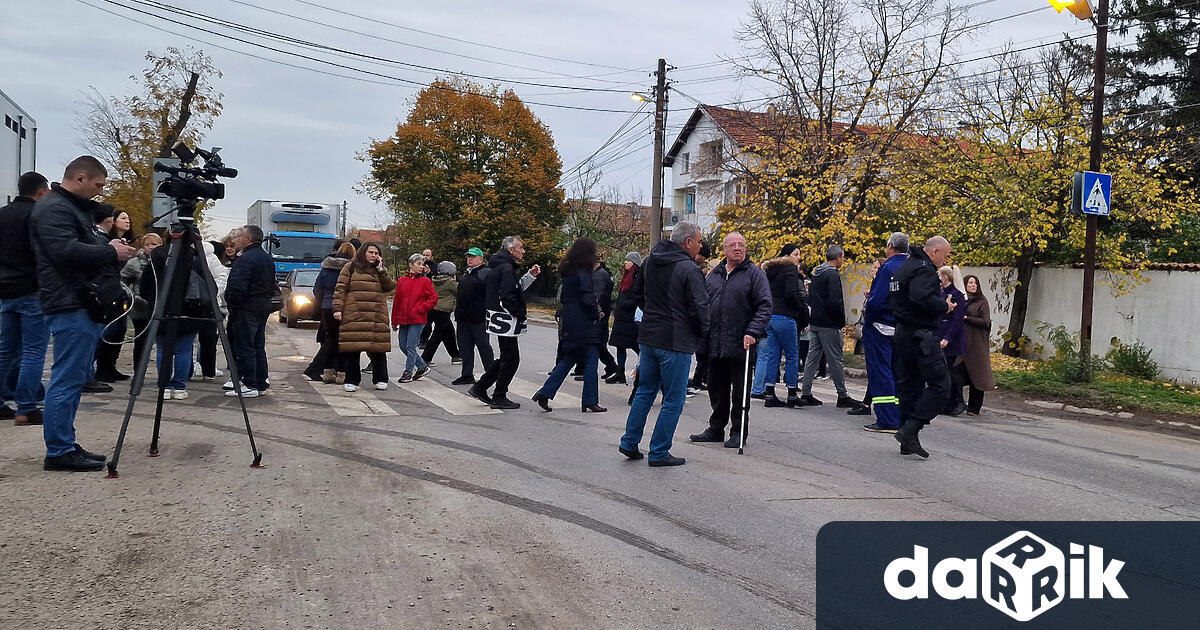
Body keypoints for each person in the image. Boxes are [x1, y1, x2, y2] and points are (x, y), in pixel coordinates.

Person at [30, 156, 138, 471]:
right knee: (66, 378)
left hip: (79, 301)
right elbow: (64, 251)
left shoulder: (69, 208)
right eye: (98, 185)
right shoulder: (55, 209)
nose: (100, 192)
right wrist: (109, 251)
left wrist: (109, 252)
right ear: (80, 178)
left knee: (73, 377)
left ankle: (65, 444)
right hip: (70, 302)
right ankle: (60, 451)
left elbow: (77, 250)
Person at [619, 222, 709, 467]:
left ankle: (629, 441)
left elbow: (639, 294)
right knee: (673, 398)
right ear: (687, 241)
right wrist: (702, 333)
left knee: (645, 391)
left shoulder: (650, 261)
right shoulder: (689, 269)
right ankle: (659, 451)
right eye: (699, 241)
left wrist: (652, 314)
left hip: (649, 335)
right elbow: (700, 306)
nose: (701, 246)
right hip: (675, 339)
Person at [688, 233, 772, 448]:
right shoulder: (714, 275)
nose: (737, 248)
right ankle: (716, 429)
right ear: (724, 249)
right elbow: (704, 305)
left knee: (740, 392)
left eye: (741, 245)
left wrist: (753, 332)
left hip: (742, 343)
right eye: (733, 245)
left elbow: (764, 306)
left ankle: (738, 431)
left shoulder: (754, 274)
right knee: (717, 389)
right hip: (715, 342)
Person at [888, 235, 955, 459]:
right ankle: (911, 428)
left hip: (902, 334)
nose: (946, 259)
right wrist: (943, 306)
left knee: (910, 387)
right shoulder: (924, 269)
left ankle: (907, 440)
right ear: (934, 252)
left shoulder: (905, 268)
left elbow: (895, 299)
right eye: (946, 254)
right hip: (921, 336)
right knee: (941, 386)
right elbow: (921, 298)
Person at [0, 171, 51, 426]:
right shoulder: (37, 216)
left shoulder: (2, 214)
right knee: (33, 351)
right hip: (32, 289)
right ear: (41, 191)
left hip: (5, 289)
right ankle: (26, 407)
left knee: (5, 350)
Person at [533, 238, 606, 413]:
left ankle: (545, 392)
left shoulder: (569, 272)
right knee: (591, 361)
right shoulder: (584, 273)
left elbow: (565, 297)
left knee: (569, 358)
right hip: (584, 321)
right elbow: (588, 297)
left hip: (570, 319)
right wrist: (597, 314)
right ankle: (589, 400)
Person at [468, 236, 541, 410]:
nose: (523, 251)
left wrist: (530, 276)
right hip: (505, 319)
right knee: (511, 359)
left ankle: (481, 387)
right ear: (511, 250)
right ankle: (499, 395)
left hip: (500, 319)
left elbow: (514, 289)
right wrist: (519, 313)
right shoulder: (506, 268)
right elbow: (508, 296)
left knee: (507, 358)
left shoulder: (501, 266)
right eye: (521, 248)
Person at [138, 237, 209, 400]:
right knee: (184, 349)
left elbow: (145, 283)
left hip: (160, 307)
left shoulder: (157, 255)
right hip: (190, 308)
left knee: (162, 349)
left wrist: (152, 298)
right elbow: (206, 282)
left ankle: (164, 386)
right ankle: (179, 387)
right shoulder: (194, 255)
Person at [798, 245, 860, 408]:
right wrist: (840, 320)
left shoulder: (817, 272)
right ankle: (842, 395)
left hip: (817, 320)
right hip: (829, 322)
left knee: (812, 357)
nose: (843, 260)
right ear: (838, 257)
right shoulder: (832, 274)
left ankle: (806, 391)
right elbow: (835, 300)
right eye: (843, 257)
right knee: (836, 358)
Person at [858, 233, 909, 432]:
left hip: (881, 327)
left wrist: (868, 319)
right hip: (902, 328)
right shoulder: (911, 267)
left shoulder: (887, 268)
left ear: (890, 246)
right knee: (897, 373)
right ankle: (898, 415)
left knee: (881, 373)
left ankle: (887, 419)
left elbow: (877, 301)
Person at [751, 244, 808, 408]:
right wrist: (799, 309)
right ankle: (791, 393)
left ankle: (769, 393)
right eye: (796, 254)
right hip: (785, 315)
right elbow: (791, 293)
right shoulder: (790, 270)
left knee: (772, 355)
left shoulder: (770, 271)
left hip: (770, 316)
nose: (799, 257)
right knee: (792, 355)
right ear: (788, 256)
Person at [223, 225, 277, 398]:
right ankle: (260, 382)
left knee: (244, 346)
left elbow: (237, 287)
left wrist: (232, 303)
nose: (235, 240)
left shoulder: (246, 259)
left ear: (248, 239)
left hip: (246, 308)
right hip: (261, 306)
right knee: (257, 346)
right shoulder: (265, 258)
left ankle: (249, 383)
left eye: (238, 237)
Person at [334, 242, 395, 390]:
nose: (374, 255)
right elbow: (340, 289)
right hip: (355, 313)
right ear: (363, 253)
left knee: (378, 348)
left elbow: (389, 287)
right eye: (371, 252)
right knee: (353, 349)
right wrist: (337, 308)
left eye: (376, 253)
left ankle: (381, 378)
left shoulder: (379, 270)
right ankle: (351, 380)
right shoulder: (350, 267)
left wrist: (381, 271)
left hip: (375, 314)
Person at [306, 242, 355, 383]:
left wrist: (323, 302)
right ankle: (315, 368)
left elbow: (317, 288)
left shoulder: (326, 266)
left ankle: (328, 371)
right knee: (337, 341)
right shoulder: (350, 268)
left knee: (331, 339)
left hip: (326, 307)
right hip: (342, 307)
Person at [120, 233, 163, 373]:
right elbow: (122, 281)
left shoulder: (166, 260)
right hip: (142, 308)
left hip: (162, 306)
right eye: (147, 244)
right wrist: (133, 297)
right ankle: (139, 372)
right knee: (141, 341)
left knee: (163, 341)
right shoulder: (134, 263)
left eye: (154, 244)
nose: (151, 247)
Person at [391, 253, 437, 383]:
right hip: (404, 318)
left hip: (417, 318)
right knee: (402, 345)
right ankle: (422, 365)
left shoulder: (425, 281)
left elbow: (433, 298)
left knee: (411, 346)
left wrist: (420, 309)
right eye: (419, 264)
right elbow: (397, 302)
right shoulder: (402, 281)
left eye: (423, 264)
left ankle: (408, 372)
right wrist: (394, 321)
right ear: (411, 265)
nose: (421, 267)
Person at [452, 247, 494, 386]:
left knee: (484, 348)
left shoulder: (485, 273)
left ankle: (491, 373)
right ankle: (467, 374)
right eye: (468, 256)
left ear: (481, 259)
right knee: (465, 348)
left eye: (473, 256)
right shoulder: (465, 275)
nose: (470, 259)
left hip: (479, 318)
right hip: (463, 318)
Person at [960, 275, 995, 415]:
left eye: (975, 283)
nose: (973, 285)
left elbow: (986, 322)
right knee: (955, 372)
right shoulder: (963, 301)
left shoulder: (982, 301)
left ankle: (974, 408)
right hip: (964, 342)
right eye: (970, 283)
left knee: (978, 375)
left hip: (977, 343)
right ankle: (957, 402)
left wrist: (968, 318)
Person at [195, 239, 229, 382]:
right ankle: (189, 368)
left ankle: (208, 370)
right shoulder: (176, 254)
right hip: (185, 303)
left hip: (209, 303)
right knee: (186, 340)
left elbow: (222, 277)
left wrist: (212, 292)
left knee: (209, 338)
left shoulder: (209, 255)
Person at [605, 252, 642, 385]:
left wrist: (625, 304)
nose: (625, 263)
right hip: (621, 317)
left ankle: (645, 367)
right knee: (620, 345)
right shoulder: (626, 277)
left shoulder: (638, 277)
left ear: (634, 263)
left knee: (635, 345)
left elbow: (637, 297)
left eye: (628, 260)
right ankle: (620, 372)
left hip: (630, 318)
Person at [938, 266, 968, 416]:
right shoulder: (942, 293)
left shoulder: (956, 295)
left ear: (945, 277)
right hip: (942, 335)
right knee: (946, 371)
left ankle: (958, 401)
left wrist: (947, 338)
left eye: (940, 275)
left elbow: (957, 321)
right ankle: (948, 402)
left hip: (952, 339)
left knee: (952, 370)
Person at [421, 261, 462, 367]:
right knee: (437, 335)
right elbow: (460, 292)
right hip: (443, 311)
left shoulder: (434, 280)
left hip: (433, 309)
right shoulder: (450, 282)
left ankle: (455, 355)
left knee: (449, 333)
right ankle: (425, 358)